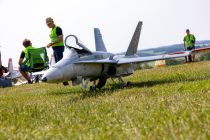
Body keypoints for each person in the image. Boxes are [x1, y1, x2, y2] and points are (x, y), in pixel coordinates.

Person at [46, 17, 69, 86]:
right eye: (47, 24)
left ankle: (65, 81)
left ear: (52, 22)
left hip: (59, 48)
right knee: (57, 64)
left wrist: (51, 44)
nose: (48, 25)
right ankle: (63, 80)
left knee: (60, 64)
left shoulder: (57, 28)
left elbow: (61, 39)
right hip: (55, 48)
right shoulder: (52, 30)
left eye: (49, 23)